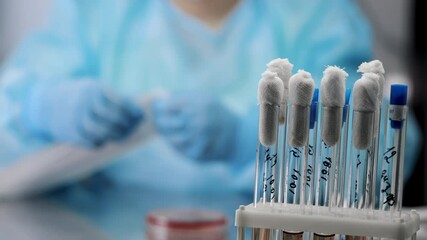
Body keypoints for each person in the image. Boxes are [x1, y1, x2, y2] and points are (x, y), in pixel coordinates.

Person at [0, 0, 421, 196]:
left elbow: (386, 149)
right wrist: (41, 108)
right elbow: (8, 111)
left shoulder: (315, 16)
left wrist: (251, 141)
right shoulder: (97, 13)